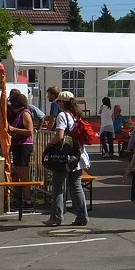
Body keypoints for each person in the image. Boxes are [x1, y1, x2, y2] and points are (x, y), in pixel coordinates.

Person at [43, 91, 89, 227]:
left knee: (58, 186)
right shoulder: (77, 116)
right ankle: (82, 216)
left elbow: (60, 136)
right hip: (77, 155)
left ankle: (56, 216)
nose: (57, 104)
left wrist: (49, 145)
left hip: (64, 157)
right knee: (76, 187)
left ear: (62, 103)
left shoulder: (62, 116)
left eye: (58, 102)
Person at [8, 89, 36, 207]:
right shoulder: (19, 113)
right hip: (18, 145)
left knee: (23, 174)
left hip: (24, 146)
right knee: (17, 173)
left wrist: (14, 129)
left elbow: (29, 131)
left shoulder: (25, 113)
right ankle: (19, 199)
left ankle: (28, 200)